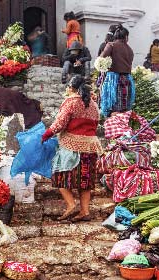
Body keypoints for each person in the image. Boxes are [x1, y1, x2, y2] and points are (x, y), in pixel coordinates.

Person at [41, 75, 102, 222]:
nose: (67, 89)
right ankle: (85, 211)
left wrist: (45, 135)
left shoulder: (71, 102)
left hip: (72, 146)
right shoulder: (93, 104)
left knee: (59, 175)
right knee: (85, 180)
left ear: (72, 88)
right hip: (90, 147)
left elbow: (59, 124)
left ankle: (70, 205)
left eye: (68, 86)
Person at [99, 24, 135, 117]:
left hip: (114, 80)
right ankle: (123, 127)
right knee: (124, 107)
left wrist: (104, 67)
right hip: (127, 79)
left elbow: (101, 59)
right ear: (126, 37)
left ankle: (113, 127)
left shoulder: (111, 45)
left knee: (112, 107)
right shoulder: (130, 49)